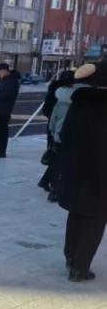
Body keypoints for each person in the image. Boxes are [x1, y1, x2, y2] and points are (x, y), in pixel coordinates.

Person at [57, 62, 107, 282]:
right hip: (101, 175)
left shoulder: (79, 102)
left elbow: (65, 135)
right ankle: (80, 267)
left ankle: (70, 257)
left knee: (76, 214)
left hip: (76, 171)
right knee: (96, 219)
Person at [39, 70, 75, 201]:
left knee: (55, 156)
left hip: (54, 129)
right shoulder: (75, 96)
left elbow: (49, 111)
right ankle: (54, 188)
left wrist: (53, 127)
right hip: (67, 132)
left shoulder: (55, 92)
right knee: (62, 161)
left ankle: (46, 181)